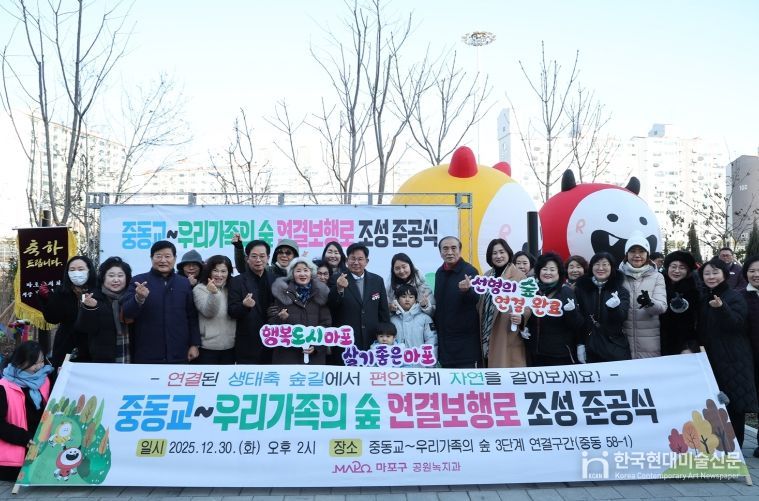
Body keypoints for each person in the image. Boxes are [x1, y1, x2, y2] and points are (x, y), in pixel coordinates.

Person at [697, 257, 757, 448]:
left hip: (733, 360)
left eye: (715, 273)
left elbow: (737, 324)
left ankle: (735, 451)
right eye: (707, 273)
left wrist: (721, 308)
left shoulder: (734, 296)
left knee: (734, 407)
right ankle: (718, 449)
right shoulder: (703, 297)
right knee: (713, 405)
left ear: (724, 274)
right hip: (711, 359)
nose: (711, 277)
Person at [121, 241, 200, 364]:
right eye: (158, 256)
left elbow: (192, 316)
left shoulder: (184, 283)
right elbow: (127, 312)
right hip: (147, 353)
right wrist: (138, 298)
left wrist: (194, 344)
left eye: (167, 256)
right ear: (151, 258)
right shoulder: (139, 281)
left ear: (174, 259)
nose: (163, 260)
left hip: (179, 352)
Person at [0, 341, 54, 481]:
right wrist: (25, 438)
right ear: (20, 362)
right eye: (34, 363)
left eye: (42, 361)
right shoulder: (4, 387)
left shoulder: (45, 379)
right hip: (16, 456)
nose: (40, 367)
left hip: (44, 448)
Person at [328, 243, 390, 356]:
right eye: (353, 259)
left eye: (360, 259)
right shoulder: (336, 279)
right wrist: (339, 288)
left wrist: (386, 337)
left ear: (367, 261)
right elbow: (331, 306)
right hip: (345, 341)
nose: (356, 262)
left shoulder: (377, 281)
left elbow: (383, 312)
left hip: (372, 342)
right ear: (347, 260)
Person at [522, 253, 583, 366]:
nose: (548, 273)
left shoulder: (566, 292)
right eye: (544, 269)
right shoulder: (533, 291)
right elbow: (528, 315)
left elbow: (577, 324)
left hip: (560, 354)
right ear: (539, 271)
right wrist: (524, 326)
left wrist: (571, 312)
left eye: (552, 269)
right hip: (535, 353)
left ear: (559, 272)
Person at [268, 257, 331, 365]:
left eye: (306, 270)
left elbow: (326, 323)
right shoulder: (282, 293)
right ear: (292, 274)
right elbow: (271, 323)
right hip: (287, 357)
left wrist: (316, 346)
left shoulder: (321, 294)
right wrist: (281, 319)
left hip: (313, 358)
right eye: (298, 271)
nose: (302, 274)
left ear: (311, 273)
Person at [39, 255, 97, 367]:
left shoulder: (97, 290)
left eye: (81, 269)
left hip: (92, 345)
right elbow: (52, 318)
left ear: (89, 270)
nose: (76, 273)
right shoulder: (62, 291)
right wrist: (46, 299)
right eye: (72, 270)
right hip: (66, 344)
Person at [574, 252, 631, 363]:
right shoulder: (581, 289)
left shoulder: (621, 290)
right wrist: (580, 343)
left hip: (615, 347)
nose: (600, 268)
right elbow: (579, 320)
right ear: (591, 267)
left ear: (612, 267)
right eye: (597, 264)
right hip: (589, 347)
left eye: (605, 264)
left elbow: (622, 317)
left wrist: (615, 308)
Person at [478, 238, 526, 368]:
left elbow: (528, 304)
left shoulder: (519, 276)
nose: (498, 256)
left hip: (506, 334)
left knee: (504, 370)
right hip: (486, 331)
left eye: (501, 252)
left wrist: (522, 317)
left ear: (508, 253)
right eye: (494, 253)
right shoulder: (486, 276)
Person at [434, 236, 481, 368]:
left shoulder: (470, 271)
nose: (449, 252)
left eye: (453, 248)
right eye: (445, 249)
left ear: (460, 250)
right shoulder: (439, 272)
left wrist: (467, 291)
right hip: (444, 341)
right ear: (440, 252)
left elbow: (476, 300)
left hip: (465, 343)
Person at [75, 256, 133, 363]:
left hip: (132, 358)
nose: (116, 280)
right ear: (103, 277)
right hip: (102, 361)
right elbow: (83, 328)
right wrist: (90, 308)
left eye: (120, 275)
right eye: (111, 275)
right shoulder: (92, 297)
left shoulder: (133, 298)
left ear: (127, 278)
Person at [619, 235, 666, 358]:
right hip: (622, 343)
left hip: (650, 344)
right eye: (632, 251)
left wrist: (649, 303)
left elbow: (661, 307)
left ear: (647, 254)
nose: (637, 255)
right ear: (626, 254)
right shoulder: (618, 277)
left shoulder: (657, 277)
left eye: (641, 251)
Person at [228, 240, 274, 364]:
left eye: (262, 256)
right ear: (247, 258)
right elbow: (232, 311)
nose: (258, 260)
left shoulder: (275, 280)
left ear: (268, 258)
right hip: (248, 345)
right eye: (254, 256)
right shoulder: (237, 281)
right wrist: (244, 306)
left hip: (273, 343)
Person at [193, 255, 236, 365]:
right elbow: (208, 312)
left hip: (230, 347)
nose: (219, 275)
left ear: (229, 273)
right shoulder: (199, 288)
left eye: (223, 271)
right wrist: (214, 293)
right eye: (215, 270)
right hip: (207, 348)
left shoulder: (232, 288)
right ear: (209, 271)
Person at [660, 251, 699, 355]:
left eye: (682, 268)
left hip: (684, 342)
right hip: (658, 339)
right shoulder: (659, 284)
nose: (677, 271)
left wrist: (690, 346)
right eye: (673, 266)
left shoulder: (694, 289)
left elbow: (695, 321)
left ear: (688, 271)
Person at [740, 255, 759, 456]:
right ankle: (736, 444)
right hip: (748, 358)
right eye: (752, 271)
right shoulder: (740, 296)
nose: (756, 274)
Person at [390, 284, 437, 363]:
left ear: (415, 300)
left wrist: (430, 363)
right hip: (397, 364)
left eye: (411, 297)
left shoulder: (425, 319)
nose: (407, 299)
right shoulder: (392, 320)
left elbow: (432, 341)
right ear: (397, 299)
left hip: (419, 365)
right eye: (403, 297)